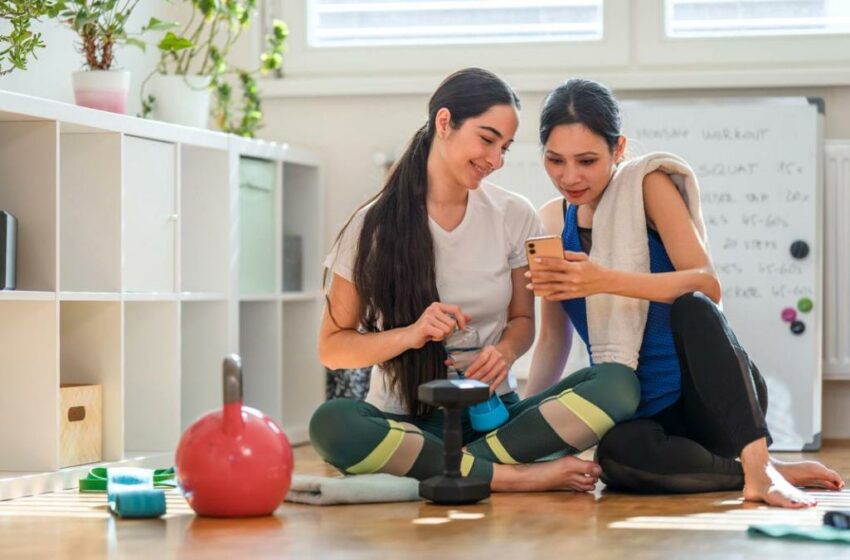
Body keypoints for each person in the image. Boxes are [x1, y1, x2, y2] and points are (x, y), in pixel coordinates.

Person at [309, 68, 640, 493]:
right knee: (332, 424)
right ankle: (510, 478)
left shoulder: (515, 216)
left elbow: (524, 321)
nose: (496, 159)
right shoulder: (369, 227)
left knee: (617, 383)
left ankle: (453, 471)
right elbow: (332, 347)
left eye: (504, 147)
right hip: (405, 423)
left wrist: (504, 351)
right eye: (487, 139)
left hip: (496, 420)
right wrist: (411, 335)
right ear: (444, 123)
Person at [525, 77, 844, 508]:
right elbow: (552, 340)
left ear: (618, 150)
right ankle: (757, 470)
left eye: (586, 160)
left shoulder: (647, 186)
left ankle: (758, 466)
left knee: (692, 307)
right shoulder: (551, 224)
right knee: (617, 459)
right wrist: (526, 436)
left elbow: (706, 284)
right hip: (643, 410)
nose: (570, 176)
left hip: (713, 398)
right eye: (555, 160)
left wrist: (605, 279)